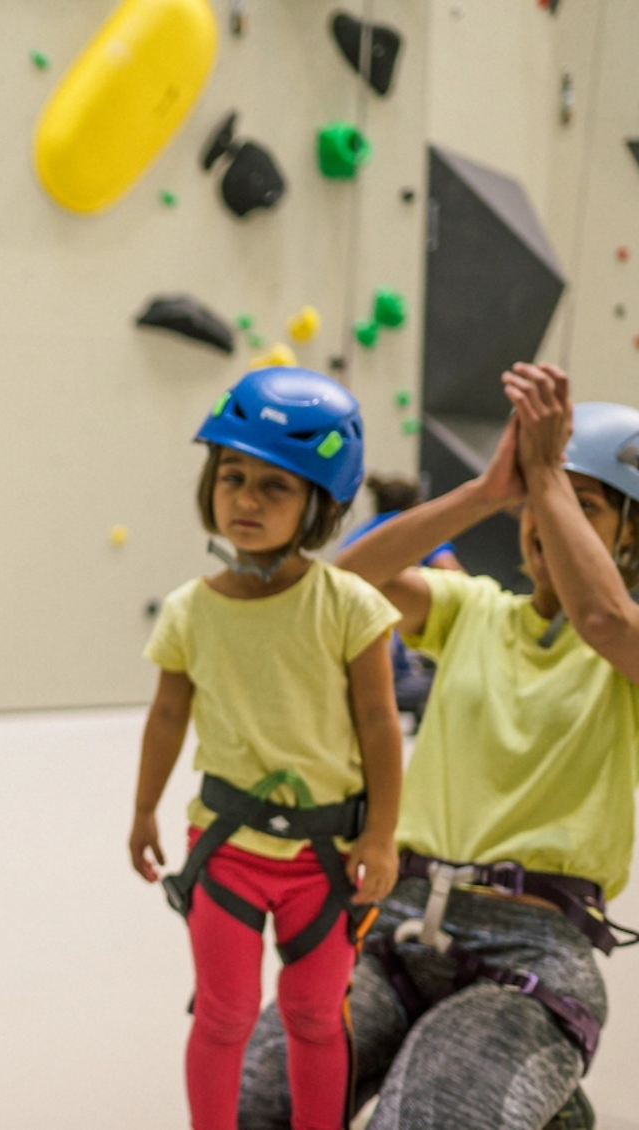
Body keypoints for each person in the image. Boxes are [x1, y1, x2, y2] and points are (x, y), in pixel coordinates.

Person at [240, 364, 639, 1130]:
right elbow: (334, 588)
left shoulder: (625, 647)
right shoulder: (475, 611)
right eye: (541, 501)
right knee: (252, 1104)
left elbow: (605, 622)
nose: (547, 520)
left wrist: (547, 473)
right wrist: (489, 490)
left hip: (530, 955)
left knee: (425, 1115)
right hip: (394, 925)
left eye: (584, 507)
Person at [129, 368, 403, 1130]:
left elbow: (381, 725)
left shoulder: (349, 606)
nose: (245, 499)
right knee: (224, 1015)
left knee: (317, 1015)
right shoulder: (191, 611)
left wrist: (382, 835)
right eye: (232, 476)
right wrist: (144, 808)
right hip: (226, 849)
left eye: (275, 486)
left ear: (318, 504)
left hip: (329, 853)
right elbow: (166, 716)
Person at [343, 475, 465, 724]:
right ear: (417, 506)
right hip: (395, 665)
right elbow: (455, 579)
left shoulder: (359, 539)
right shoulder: (417, 533)